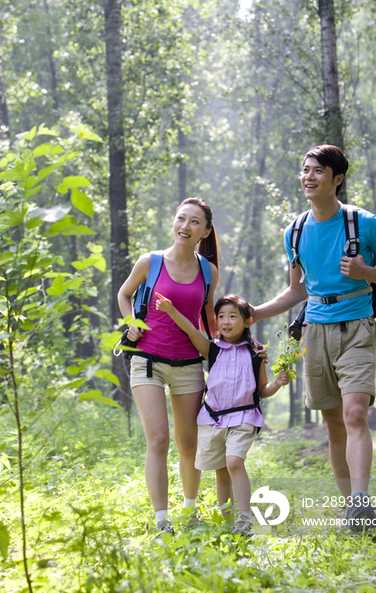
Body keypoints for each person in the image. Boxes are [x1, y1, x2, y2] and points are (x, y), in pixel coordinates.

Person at [252, 144, 376, 532]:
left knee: (356, 414)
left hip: (356, 325)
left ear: (337, 178)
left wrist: (364, 271)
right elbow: (296, 291)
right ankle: (350, 510)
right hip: (315, 331)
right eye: (305, 170)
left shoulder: (364, 223)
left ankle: (360, 501)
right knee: (334, 424)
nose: (308, 177)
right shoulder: (295, 231)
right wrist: (255, 312)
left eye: (318, 171)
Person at [117, 197, 219, 535]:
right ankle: (162, 520)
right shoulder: (151, 262)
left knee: (189, 442)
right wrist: (131, 322)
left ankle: (190, 510)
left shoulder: (209, 271)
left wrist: (228, 350)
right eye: (181, 219)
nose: (185, 227)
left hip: (189, 363)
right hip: (147, 359)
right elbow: (124, 294)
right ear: (173, 223)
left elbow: (207, 318)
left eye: (194, 222)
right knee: (158, 439)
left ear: (205, 231)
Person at [156, 292, 290, 537]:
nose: (226, 321)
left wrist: (278, 383)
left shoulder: (256, 352)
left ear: (248, 321)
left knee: (234, 463)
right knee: (221, 472)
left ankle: (245, 519)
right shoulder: (212, 349)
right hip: (214, 418)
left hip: (243, 417)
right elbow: (191, 331)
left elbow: (262, 389)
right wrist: (171, 310)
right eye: (221, 316)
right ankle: (229, 525)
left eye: (233, 316)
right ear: (216, 321)